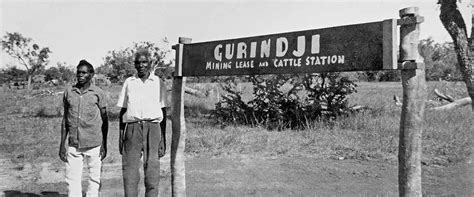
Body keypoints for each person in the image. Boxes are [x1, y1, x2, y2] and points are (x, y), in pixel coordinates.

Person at [117, 48, 168, 196]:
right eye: (138, 63)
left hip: (153, 128)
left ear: (150, 63)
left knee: (152, 171)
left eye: (144, 62)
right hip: (132, 128)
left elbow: (163, 111)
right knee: (130, 171)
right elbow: (123, 111)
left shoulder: (158, 82)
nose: (141, 65)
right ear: (135, 64)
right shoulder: (129, 82)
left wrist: (162, 138)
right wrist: (121, 136)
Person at [59, 59, 109, 197]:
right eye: (78, 72)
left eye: (84, 73)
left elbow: (105, 120)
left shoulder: (98, 93)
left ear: (91, 75)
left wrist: (104, 143)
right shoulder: (69, 92)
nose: (80, 75)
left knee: (94, 179)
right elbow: (65, 119)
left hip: (94, 143)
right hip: (74, 143)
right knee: (72, 179)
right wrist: (62, 144)